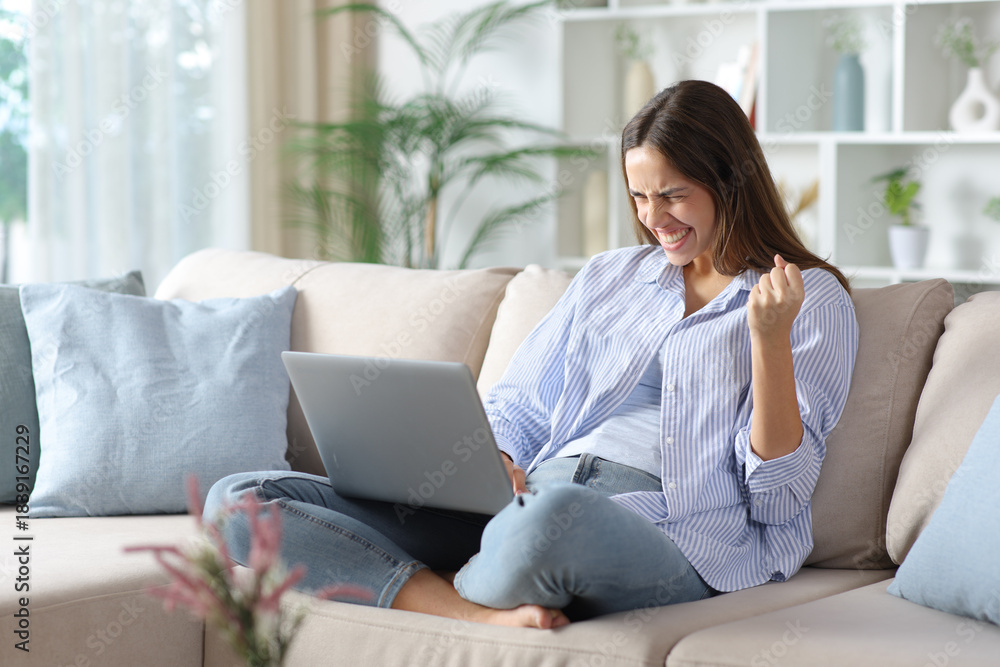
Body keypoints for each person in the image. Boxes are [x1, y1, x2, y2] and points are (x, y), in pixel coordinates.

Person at [204, 79, 858, 630]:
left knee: (550, 519)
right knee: (239, 499)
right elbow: (522, 401)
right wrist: (502, 460)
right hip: (524, 500)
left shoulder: (808, 296)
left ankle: (440, 572)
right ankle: (476, 611)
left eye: (673, 194)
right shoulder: (610, 277)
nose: (653, 217)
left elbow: (778, 499)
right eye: (639, 195)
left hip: (669, 531)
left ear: (728, 180)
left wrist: (769, 340)